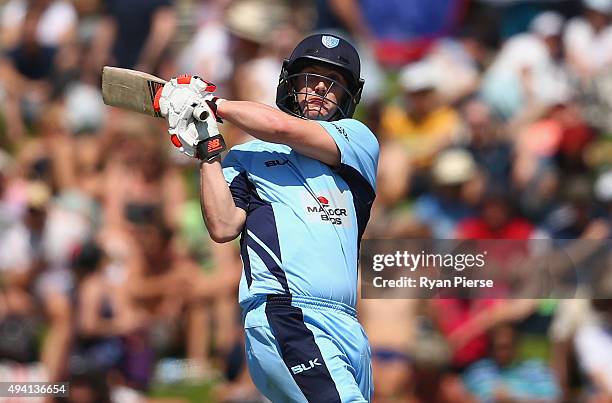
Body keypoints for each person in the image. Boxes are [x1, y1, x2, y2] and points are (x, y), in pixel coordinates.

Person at [156, 33, 378, 402]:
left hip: (347, 324)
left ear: (348, 95)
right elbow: (224, 226)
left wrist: (212, 104)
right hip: (286, 314)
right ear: (291, 83)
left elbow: (281, 127)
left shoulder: (357, 140)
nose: (322, 88)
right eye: (311, 78)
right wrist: (208, 150)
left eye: (334, 83)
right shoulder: (247, 157)